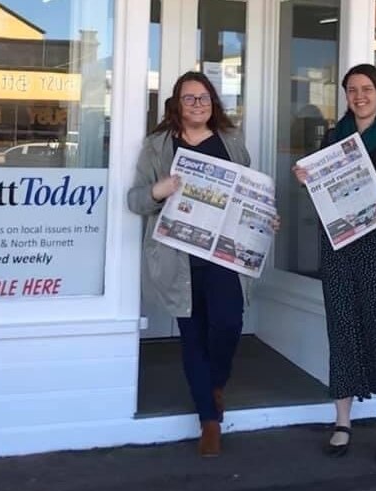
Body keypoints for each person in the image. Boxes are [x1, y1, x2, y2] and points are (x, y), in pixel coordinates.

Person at [292, 63, 376, 461]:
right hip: (341, 248)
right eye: (352, 89)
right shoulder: (334, 138)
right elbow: (321, 187)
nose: (359, 96)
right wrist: (306, 177)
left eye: (366, 88)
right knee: (343, 328)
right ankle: (342, 420)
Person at [128, 71, 265, 457]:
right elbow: (135, 200)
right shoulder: (158, 147)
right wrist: (161, 190)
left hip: (225, 256)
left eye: (204, 98)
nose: (198, 105)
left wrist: (264, 218)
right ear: (176, 104)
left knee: (227, 325)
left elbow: (248, 194)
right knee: (193, 337)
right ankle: (209, 420)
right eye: (189, 99)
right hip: (179, 259)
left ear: (213, 103)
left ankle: (215, 383)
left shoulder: (232, 143)